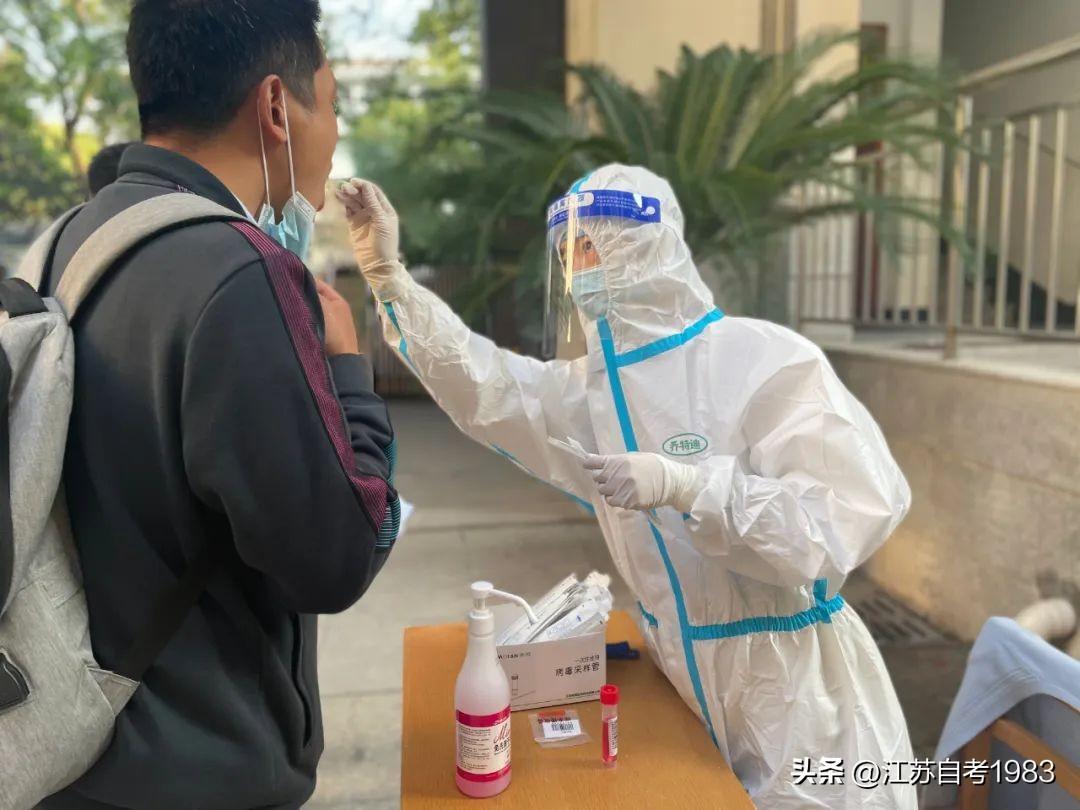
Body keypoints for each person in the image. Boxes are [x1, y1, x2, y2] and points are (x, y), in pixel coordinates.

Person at [339, 165, 917, 808]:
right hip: (682, 676)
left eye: (591, 245)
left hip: (796, 693)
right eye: (567, 253)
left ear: (646, 246)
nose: (576, 267)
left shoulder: (762, 359)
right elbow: (492, 387)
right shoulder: (595, 389)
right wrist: (391, 281)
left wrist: (690, 485)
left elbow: (839, 519)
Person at [38, 1, 400, 808]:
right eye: (330, 105)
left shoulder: (68, 244)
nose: (333, 133)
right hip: (200, 772)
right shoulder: (240, 275)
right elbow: (338, 555)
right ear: (275, 105)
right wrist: (349, 371)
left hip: (70, 750)